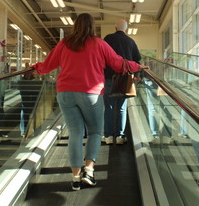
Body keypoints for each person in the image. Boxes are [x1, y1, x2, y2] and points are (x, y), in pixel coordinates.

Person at [32, 13, 148, 191]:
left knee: (75, 133)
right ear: (92, 26)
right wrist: (137, 66)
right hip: (90, 94)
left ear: (75, 26)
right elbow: (118, 63)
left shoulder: (64, 44)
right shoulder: (99, 43)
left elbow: (48, 65)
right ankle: (89, 171)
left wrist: (35, 68)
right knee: (94, 132)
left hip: (65, 93)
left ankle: (76, 178)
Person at [103, 19, 142, 145]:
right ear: (126, 29)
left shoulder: (108, 39)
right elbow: (137, 61)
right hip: (125, 79)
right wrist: (137, 75)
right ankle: (120, 136)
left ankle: (108, 136)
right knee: (121, 107)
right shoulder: (131, 41)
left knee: (108, 107)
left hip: (109, 77)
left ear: (115, 27)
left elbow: (101, 56)